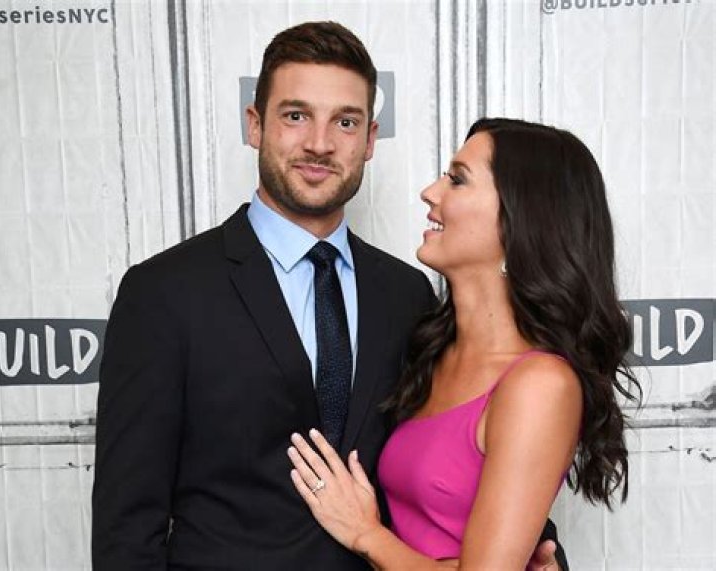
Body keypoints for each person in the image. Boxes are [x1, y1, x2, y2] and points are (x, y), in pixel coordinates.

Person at [91, 22, 565, 570]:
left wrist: (538, 557)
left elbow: (470, 460)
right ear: (255, 125)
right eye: (296, 116)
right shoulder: (164, 293)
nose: (320, 143)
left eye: (345, 122)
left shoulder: (406, 293)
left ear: (370, 140)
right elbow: (127, 529)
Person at [288, 118, 642, 569]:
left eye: (457, 180)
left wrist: (365, 534)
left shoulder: (540, 384)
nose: (430, 193)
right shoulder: (431, 345)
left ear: (519, 219)